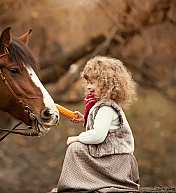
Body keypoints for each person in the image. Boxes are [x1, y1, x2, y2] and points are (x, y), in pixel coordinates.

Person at [52, 56, 140, 192]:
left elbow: (99, 135)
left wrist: (77, 138)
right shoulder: (102, 105)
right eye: (87, 82)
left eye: (92, 82)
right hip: (110, 156)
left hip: (116, 161)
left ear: (106, 83)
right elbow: (102, 125)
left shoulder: (106, 108)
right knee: (77, 148)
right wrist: (84, 119)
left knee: (75, 148)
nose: (88, 87)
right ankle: (80, 183)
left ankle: (76, 185)